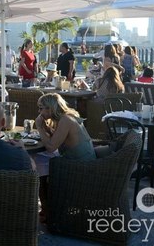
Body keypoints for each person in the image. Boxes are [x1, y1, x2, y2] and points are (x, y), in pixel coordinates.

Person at [34, 93, 96, 221]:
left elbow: (51, 147)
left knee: (41, 165)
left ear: (50, 108)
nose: (39, 111)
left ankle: (48, 211)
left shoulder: (65, 120)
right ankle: (48, 208)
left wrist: (40, 127)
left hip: (80, 167)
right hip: (83, 161)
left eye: (41, 108)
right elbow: (59, 139)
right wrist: (46, 128)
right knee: (43, 163)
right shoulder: (66, 117)